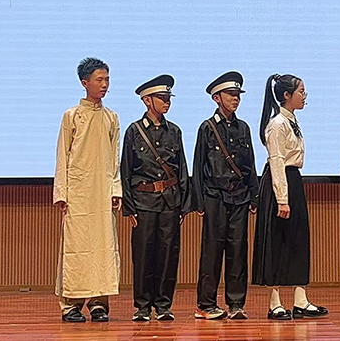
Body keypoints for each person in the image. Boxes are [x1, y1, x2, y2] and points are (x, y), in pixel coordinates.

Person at [252, 74, 328, 320]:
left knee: (298, 238)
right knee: (277, 239)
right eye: (301, 92)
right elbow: (276, 161)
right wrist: (282, 199)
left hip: (293, 180)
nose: (304, 96)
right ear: (287, 95)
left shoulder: (292, 121)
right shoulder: (277, 124)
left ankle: (300, 299)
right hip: (280, 183)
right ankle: (275, 302)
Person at [53, 57, 121, 323]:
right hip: (79, 193)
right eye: (99, 80)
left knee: (103, 247)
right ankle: (70, 304)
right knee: (77, 248)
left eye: (107, 80)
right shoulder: (72, 116)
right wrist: (61, 192)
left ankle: (98, 303)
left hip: (102, 190)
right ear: (85, 83)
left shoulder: (111, 117)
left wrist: (116, 189)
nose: (104, 85)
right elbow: (62, 155)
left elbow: (114, 158)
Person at [120, 75, 192, 322]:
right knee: (143, 254)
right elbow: (126, 169)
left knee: (168, 254)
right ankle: (142, 306)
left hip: (170, 201)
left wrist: (184, 205)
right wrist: (129, 207)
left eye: (168, 98)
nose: (167, 102)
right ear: (147, 100)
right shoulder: (134, 131)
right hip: (143, 201)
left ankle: (163, 305)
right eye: (162, 98)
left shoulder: (175, 131)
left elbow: (182, 168)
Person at [192, 71, 259, 320]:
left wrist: (254, 195)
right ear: (216, 98)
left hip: (240, 196)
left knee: (238, 250)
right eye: (230, 94)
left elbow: (250, 163)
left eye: (238, 95)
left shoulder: (243, 128)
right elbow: (198, 165)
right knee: (212, 250)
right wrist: (198, 201)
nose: (235, 99)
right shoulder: (207, 128)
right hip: (214, 196)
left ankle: (236, 304)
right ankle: (205, 303)